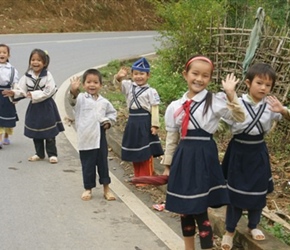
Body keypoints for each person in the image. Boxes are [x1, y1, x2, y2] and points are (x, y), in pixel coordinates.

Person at [163, 55, 245, 250]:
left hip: (204, 158)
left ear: (210, 78)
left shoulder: (215, 101)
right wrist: (167, 166)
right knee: (185, 208)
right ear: (185, 75)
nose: (199, 79)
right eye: (195, 74)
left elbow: (240, 117)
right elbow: (172, 138)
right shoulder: (175, 106)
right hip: (183, 158)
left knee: (200, 207)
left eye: (205, 76)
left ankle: (207, 247)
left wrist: (231, 94)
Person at [220, 63, 290, 250]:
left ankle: (253, 225)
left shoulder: (271, 106)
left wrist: (283, 110)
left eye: (268, 85)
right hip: (238, 152)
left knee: (258, 192)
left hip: (258, 151)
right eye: (259, 83)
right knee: (234, 193)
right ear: (248, 83)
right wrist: (229, 94)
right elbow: (223, 124)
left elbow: (287, 115)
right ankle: (229, 230)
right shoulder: (237, 102)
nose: (263, 88)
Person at [2, 49, 64, 163]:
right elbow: (21, 89)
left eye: (39, 60)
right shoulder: (27, 76)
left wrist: (33, 94)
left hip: (47, 106)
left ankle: (52, 154)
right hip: (34, 107)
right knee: (36, 131)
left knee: (49, 132)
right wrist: (14, 92)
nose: (35, 62)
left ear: (44, 63)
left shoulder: (48, 75)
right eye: (33, 60)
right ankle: (39, 154)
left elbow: (49, 91)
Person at [113, 57, 164, 185]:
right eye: (136, 74)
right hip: (133, 122)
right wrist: (119, 77)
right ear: (132, 75)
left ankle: (146, 177)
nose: (138, 77)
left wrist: (155, 125)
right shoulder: (129, 86)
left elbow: (155, 108)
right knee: (135, 150)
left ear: (148, 75)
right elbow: (118, 84)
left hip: (145, 122)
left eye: (142, 74)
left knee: (146, 151)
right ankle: (137, 177)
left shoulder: (151, 91)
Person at [69, 68, 116, 201]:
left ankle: (107, 189)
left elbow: (112, 114)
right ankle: (88, 189)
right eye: (89, 82)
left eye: (95, 82)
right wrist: (73, 90)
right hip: (86, 136)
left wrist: (108, 122)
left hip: (100, 136)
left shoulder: (104, 102)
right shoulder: (81, 99)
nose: (92, 85)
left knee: (103, 163)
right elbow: (72, 100)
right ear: (83, 85)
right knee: (88, 164)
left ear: (100, 85)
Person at [0, 44, 19, 148]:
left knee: (7, 116)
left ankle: (6, 136)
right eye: (0, 52)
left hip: (7, 94)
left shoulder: (12, 70)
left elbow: (15, 84)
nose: (1, 54)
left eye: (4, 52)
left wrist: (15, 95)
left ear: (8, 55)